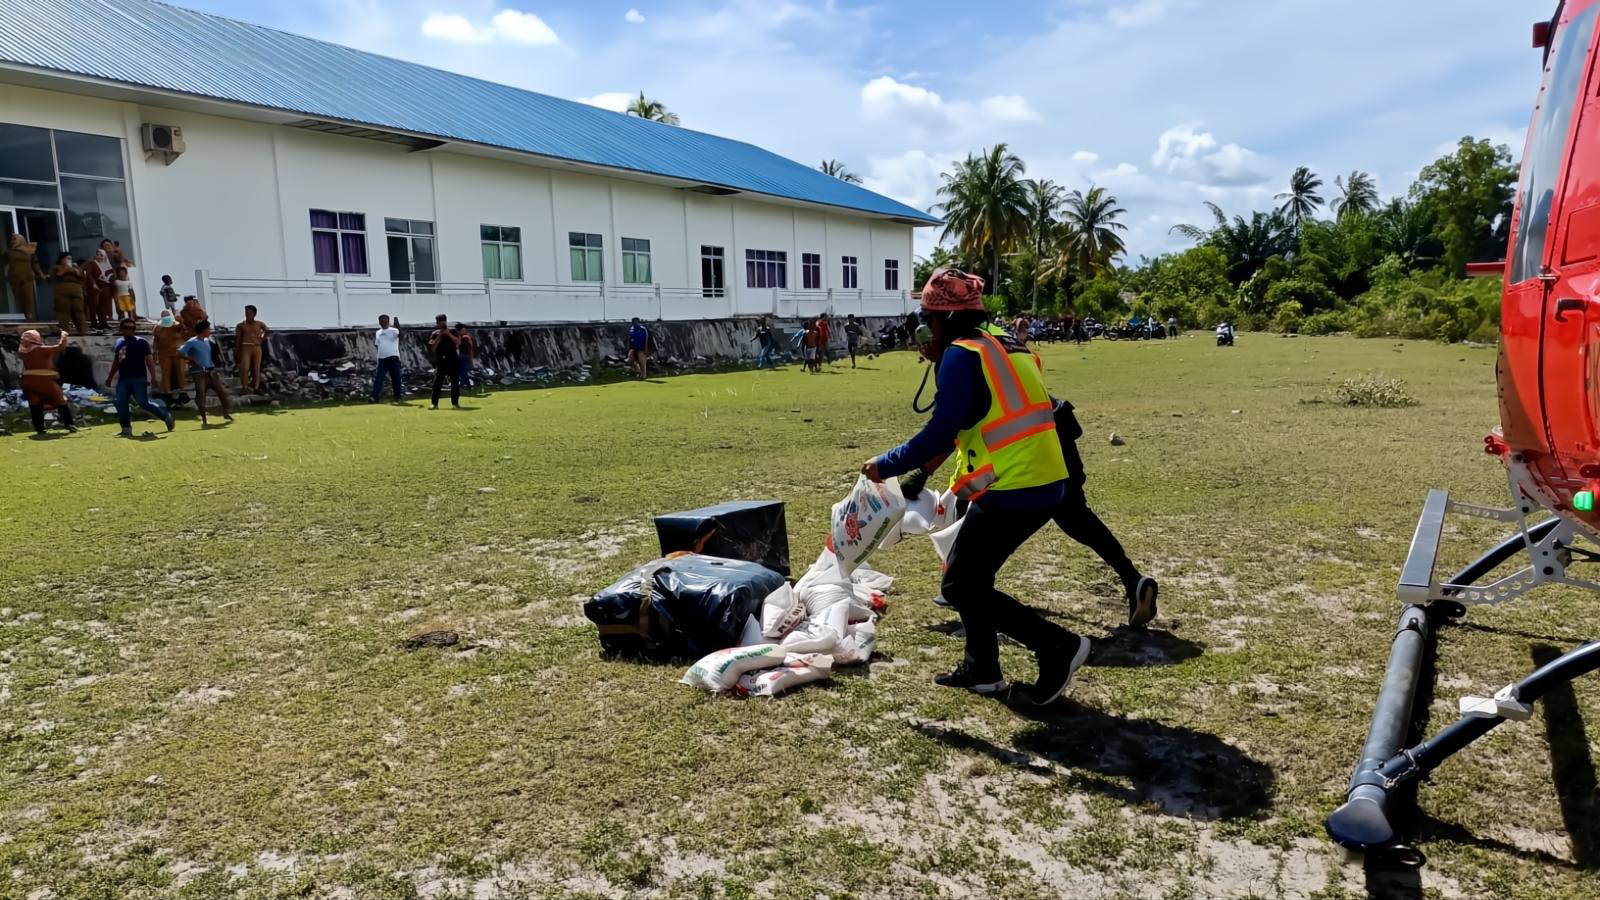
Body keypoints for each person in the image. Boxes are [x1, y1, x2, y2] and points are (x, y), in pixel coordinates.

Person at [863, 268, 1090, 704]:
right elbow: (972, 419)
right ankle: (983, 668)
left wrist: (886, 464)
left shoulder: (963, 356)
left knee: (960, 586)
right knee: (972, 575)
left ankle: (1057, 646)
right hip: (1042, 479)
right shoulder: (1003, 342)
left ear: (945, 318)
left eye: (928, 316)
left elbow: (941, 429)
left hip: (1014, 486)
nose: (924, 326)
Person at [105, 318, 174, 436]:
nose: (130, 331)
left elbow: (149, 360)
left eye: (132, 328)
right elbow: (117, 361)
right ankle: (126, 428)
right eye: (127, 328)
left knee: (143, 403)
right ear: (121, 329)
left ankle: (166, 417)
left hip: (139, 378)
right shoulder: (119, 343)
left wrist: (153, 377)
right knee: (121, 402)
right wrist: (110, 377)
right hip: (124, 378)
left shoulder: (141, 342)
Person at [16, 329, 77, 435]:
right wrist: (63, 335)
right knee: (60, 399)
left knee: (35, 403)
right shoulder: (41, 350)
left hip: (27, 381)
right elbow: (60, 347)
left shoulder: (22, 351)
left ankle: (40, 428)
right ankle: (69, 424)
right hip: (43, 380)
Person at [180, 319, 233, 425]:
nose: (210, 331)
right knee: (201, 395)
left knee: (222, 392)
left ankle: (226, 413)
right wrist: (190, 359)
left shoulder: (207, 341)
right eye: (208, 329)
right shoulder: (192, 342)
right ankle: (204, 419)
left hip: (211, 371)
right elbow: (180, 352)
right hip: (199, 373)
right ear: (203, 330)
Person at [7, 233, 45, 320]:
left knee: (29, 299)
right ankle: (25, 317)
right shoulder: (10, 252)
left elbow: (35, 263)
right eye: (12, 239)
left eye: (15, 239)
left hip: (27, 278)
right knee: (19, 300)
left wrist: (40, 273)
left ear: (21, 240)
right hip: (15, 278)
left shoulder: (29, 250)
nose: (13, 241)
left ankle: (31, 318)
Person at [234, 305, 269, 393]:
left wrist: (261, 339)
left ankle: (256, 387)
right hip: (246, 347)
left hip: (256, 347)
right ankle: (244, 386)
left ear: (254, 314)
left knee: (256, 368)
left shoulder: (259, 324)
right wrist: (237, 350)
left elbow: (267, 330)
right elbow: (238, 339)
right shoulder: (241, 325)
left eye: (249, 313)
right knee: (244, 367)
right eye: (246, 313)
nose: (247, 315)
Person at [152, 308, 187, 395]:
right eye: (164, 315)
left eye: (167, 315)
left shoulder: (177, 325)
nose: (165, 316)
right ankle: (167, 393)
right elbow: (155, 341)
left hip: (177, 352)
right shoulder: (158, 327)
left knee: (181, 372)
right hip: (164, 352)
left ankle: (182, 392)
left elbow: (184, 330)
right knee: (166, 373)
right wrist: (154, 353)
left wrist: (181, 321)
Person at [429, 313, 461, 409]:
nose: (442, 325)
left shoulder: (453, 331)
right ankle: (434, 404)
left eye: (443, 322)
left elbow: (458, 342)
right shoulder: (435, 333)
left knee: (455, 382)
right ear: (437, 323)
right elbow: (433, 348)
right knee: (437, 383)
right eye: (440, 323)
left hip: (453, 359)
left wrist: (448, 333)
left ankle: (455, 403)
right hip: (441, 361)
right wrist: (440, 336)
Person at [51, 253, 88, 335]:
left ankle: (82, 330)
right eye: (67, 258)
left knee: (78, 310)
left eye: (70, 258)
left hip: (76, 291)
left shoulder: (76, 267)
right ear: (62, 259)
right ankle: (64, 331)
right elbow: (57, 275)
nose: (69, 260)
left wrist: (73, 270)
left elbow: (82, 276)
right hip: (62, 291)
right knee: (64, 312)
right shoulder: (57, 267)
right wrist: (68, 270)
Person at [371, 314, 402, 402]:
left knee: (396, 378)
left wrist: (397, 323)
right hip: (382, 359)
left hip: (393, 357)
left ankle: (397, 396)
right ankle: (374, 397)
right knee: (379, 378)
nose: (383, 323)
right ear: (379, 322)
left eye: (385, 321)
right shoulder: (378, 332)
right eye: (381, 321)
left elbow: (401, 336)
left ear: (388, 321)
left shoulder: (394, 330)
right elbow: (377, 344)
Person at [85, 246, 114, 330]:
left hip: (105, 286)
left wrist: (109, 279)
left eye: (101, 255)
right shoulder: (92, 263)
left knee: (104, 305)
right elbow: (89, 274)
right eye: (97, 254)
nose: (98, 256)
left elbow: (112, 275)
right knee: (94, 304)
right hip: (95, 288)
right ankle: (93, 322)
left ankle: (103, 322)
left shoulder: (107, 265)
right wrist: (93, 283)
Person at [455, 323, 477, 395]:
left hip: (464, 357)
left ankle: (461, 387)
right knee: (464, 373)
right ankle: (468, 387)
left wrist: (471, 358)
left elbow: (470, 348)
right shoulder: (459, 337)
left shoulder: (465, 338)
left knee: (463, 373)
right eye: (464, 329)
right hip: (461, 357)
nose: (465, 331)